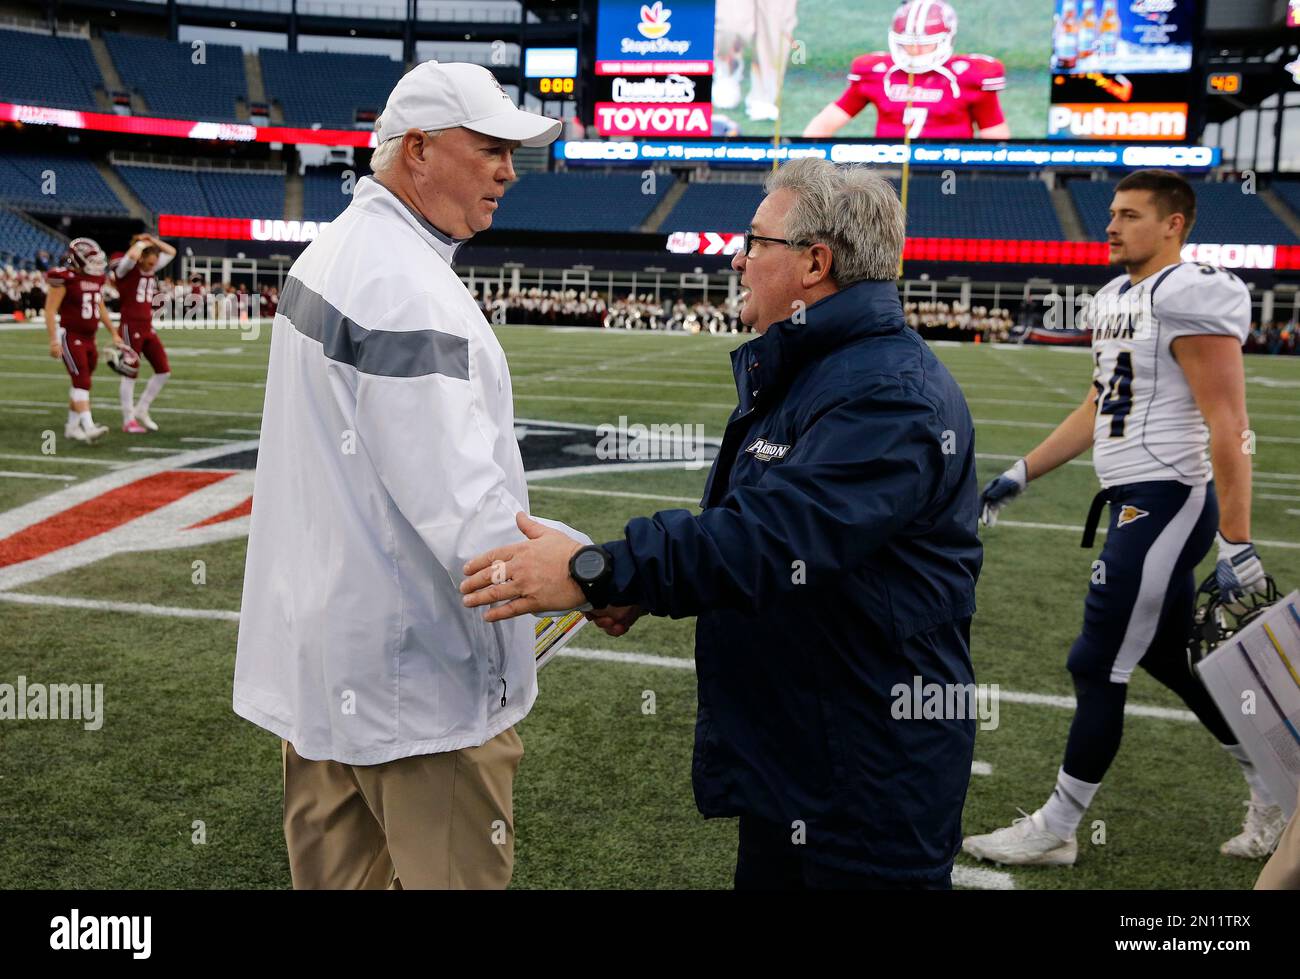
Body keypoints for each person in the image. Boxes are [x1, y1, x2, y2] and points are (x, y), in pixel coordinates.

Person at [460, 158, 983, 889]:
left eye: (755, 240)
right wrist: (644, 586)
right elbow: (761, 534)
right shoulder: (823, 367)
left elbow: (774, 538)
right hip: (810, 752)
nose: (738, 257)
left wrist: (601, 570)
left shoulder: (888, 394)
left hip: (865, 775)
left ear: (814, 262)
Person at [233, 62, 561, 890]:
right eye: (489, 147)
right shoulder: (410, 287)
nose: (509, 170)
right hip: (420, 693)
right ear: (417, 148)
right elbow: (465, 516)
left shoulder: (337, 249)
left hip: (325, 674)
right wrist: (596, 574)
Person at [965, 169, 1279, 867]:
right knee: (1171, 658)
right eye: (1109, 212)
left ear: (1173, 224)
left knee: (1095, 660)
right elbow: (1096, 407)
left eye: (1129, 214)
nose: (1110, 224)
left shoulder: (1191, 292)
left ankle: (1058, 825)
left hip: (1166, 501)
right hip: (1137, 502)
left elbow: (1229, 423)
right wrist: (1022, 472)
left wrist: (1236, 539)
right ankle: (1275, 784)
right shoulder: (1113, 297)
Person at [802, 0, 1009, 139]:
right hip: (886, 175)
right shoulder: (877, 73)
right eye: (907, 42)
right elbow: (821, 126)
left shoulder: (968, 77)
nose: (914, 49)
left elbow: (998, 145)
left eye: (925, 43)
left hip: (949, 171)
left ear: (947, 38)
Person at [44, 237, 126, 443]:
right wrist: (54, 340)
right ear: (78, 260)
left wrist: (113, 332)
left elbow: (99, 307)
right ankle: (89, 427)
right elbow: (50, 310)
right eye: (92, 260)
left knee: (81, 382)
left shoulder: (96, 279)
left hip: (90, 337)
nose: (97, 265)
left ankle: (71, 427)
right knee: (82, 380)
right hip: (71, 335)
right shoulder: (64, 278)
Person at [111, 233, 176, 433]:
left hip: (147, 325)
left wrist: (152, 240)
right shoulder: (126, 269)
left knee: (163, 370)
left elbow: (172, 251)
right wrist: (141, 243)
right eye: (149, 263)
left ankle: (142, 408)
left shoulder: (150, 265)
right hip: (131, 325)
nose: (152, 266)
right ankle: (128, 419)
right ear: (141, 257)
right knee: (130, 373)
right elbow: (130, 258)